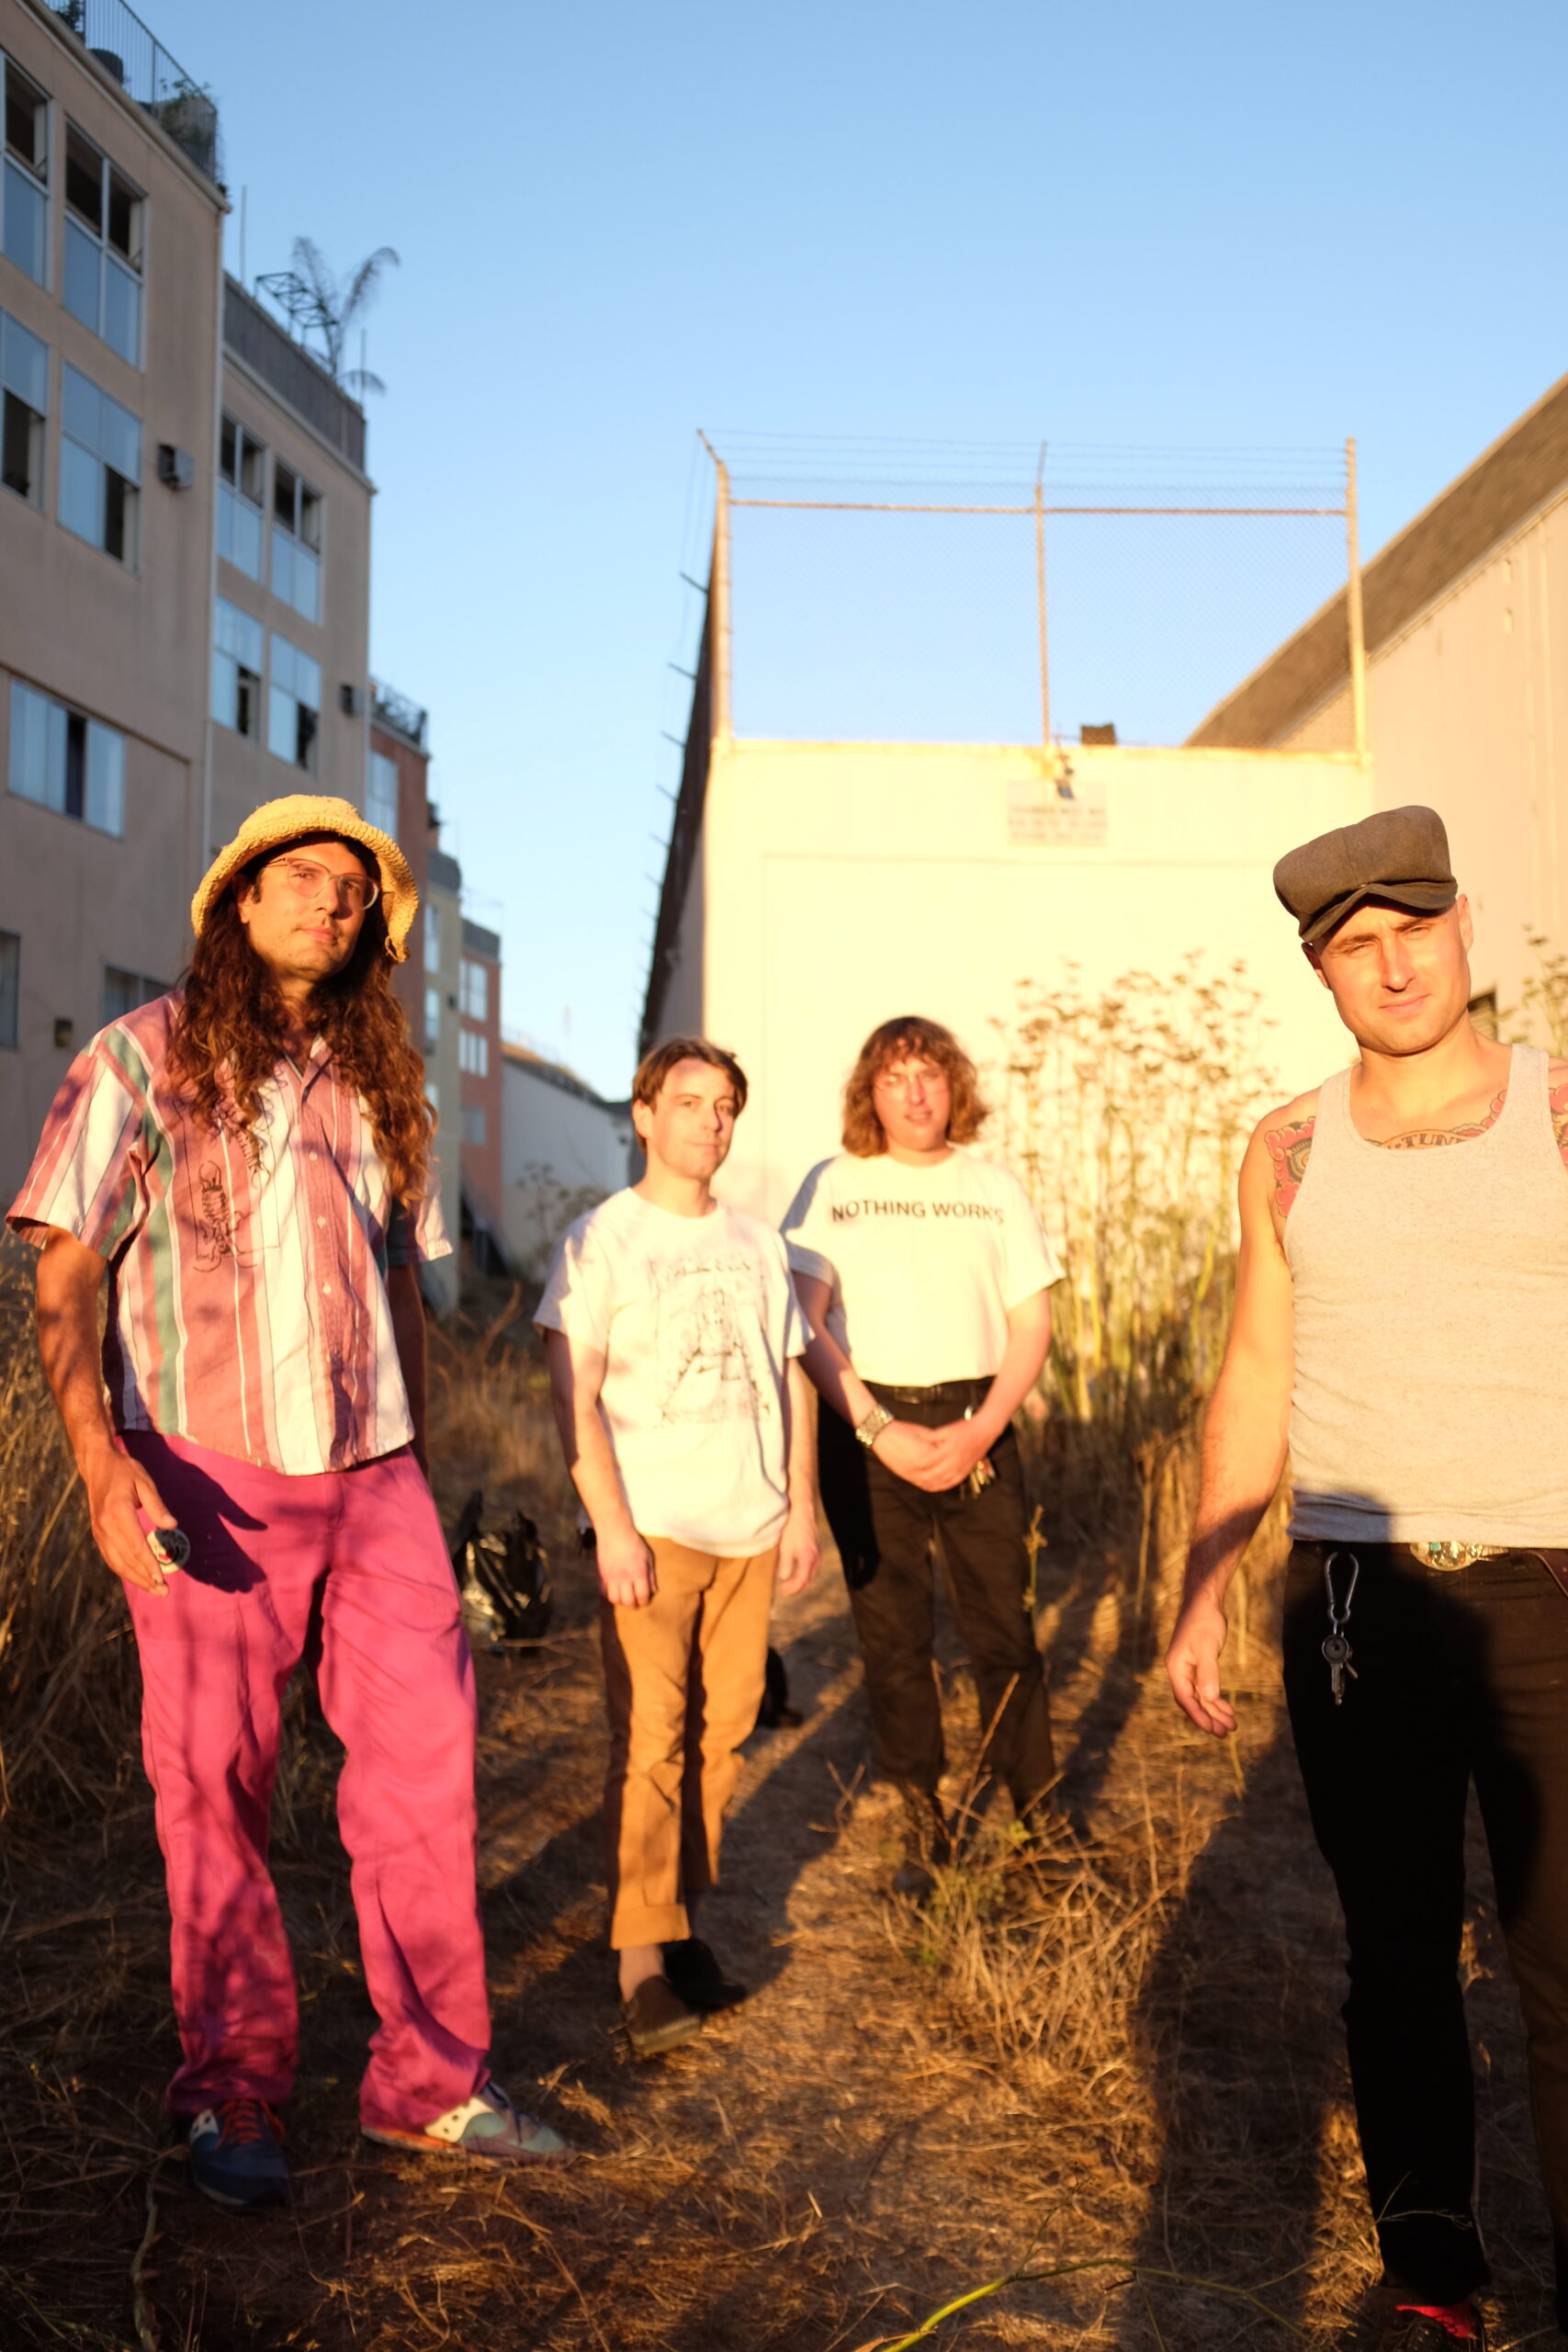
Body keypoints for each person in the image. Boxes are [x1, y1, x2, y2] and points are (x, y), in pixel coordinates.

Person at [8, 794, 568, 2213]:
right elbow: (63, 1275)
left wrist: (422, 1472)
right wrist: (97, 1461)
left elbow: (399, 1293)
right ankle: (234, 2088)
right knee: (214, 1789)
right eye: (302, 878)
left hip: (375, 1476)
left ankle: (428, 2083)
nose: (331, 903)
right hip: (204, 1468)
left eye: (352, 890)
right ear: (239, 905)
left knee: (428, 1772)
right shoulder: (135, 1061)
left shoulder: (387, 1086)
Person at [1166, 805, 1568, 2352]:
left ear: (1463, 927)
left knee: (1558, 1967)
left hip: (1547, 1584)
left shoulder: (1555, 1114)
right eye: (1352, 948)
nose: (1389, 967)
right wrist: (1202, 1583)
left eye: (1411, 930)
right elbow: (1254, 1371)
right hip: (1353, 1604)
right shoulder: (1282, 1146)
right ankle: (1435, 2285)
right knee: (1395, 1962)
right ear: (1321, 974)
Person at [536, 1036, 819, 2059]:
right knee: (651, 1737)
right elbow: (571, 1394)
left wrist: (804, 1507)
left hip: (748, 1523)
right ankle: (640, 1965)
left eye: (727, 1105)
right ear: (644, 1114)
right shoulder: (599, 1241)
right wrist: (609, 1525)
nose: (712, 1120)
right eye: (690, 1100)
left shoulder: (755, 1241)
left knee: (726, 1731)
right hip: (651, 1530)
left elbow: (791, 1374)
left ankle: (677, 1916)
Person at [782, 1016, 1065, 1898]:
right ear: (870, 1091)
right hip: (868, 1431)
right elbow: (805, 1319)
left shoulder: (993, 1188)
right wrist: (876, 1429)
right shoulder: (835, 1185)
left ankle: (1038, 1815)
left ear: (955, 1088)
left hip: (976, 1422)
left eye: (930, 1076)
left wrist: (980, 1431)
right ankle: (922, 1814)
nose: (914, 1093)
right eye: (895, 1077)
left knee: (1004, 1630)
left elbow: (1032, 1324)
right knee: (894, 1634)